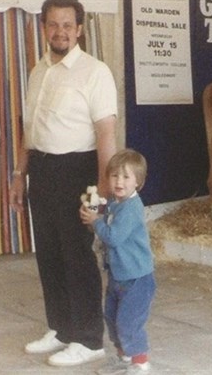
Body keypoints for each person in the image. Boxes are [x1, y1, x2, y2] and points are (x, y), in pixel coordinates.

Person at [9, 0, 117, 367]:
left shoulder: (95, 72)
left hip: (78, 171)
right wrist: (19, 173)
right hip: (41, 169)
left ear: (80, 29)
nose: (60, 31)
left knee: (77, 256)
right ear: (43, 28)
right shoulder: (39, 70)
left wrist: (101, 193)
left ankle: (88, 339)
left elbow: (106, 135)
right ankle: (61, 328)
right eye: (53, 24)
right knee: (50, 255)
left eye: (67, 25)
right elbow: (30, 128)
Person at [80, 149, 156, 375]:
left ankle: (141, 362)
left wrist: (96, 222)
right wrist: (95, 209)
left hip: (136, 279)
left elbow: (113, 237)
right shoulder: (116, 202)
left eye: (126, 177)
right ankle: (124, 358)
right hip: (118, 276)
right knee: (112, 319)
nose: (119, 181)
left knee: (128, 323)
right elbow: (107, 214)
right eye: (114, 176)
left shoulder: (132, 208)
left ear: (138, 182)